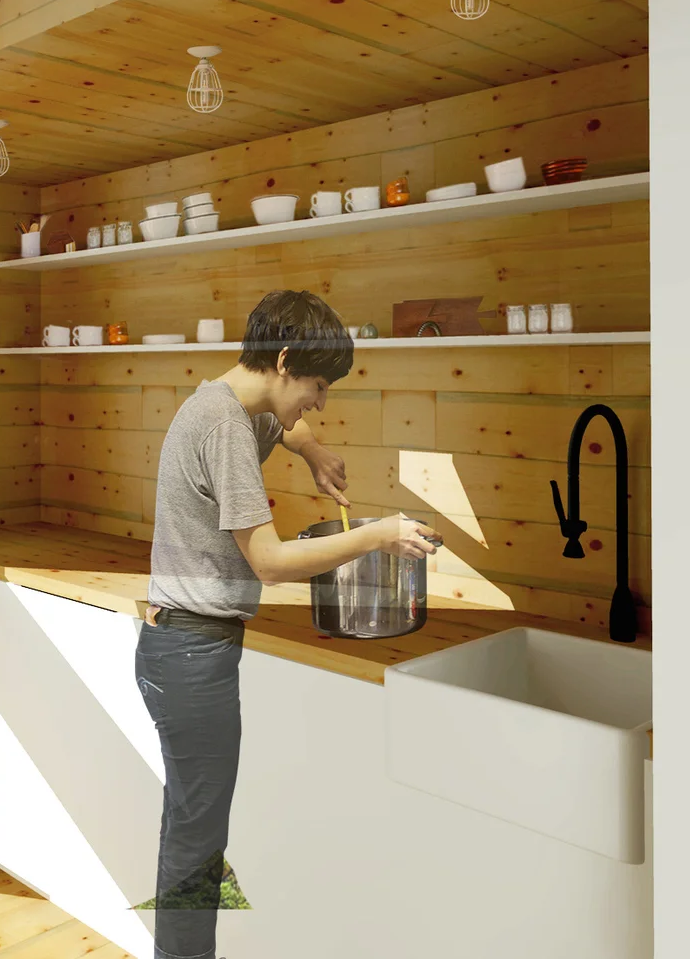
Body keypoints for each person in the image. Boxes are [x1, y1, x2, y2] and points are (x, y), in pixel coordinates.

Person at [135, 290, 440, 959]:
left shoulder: (234, 406)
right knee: (197, 841)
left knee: (191, 827)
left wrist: (315, 451)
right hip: (192, 653)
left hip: (180, 646)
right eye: (317, 385)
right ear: (281, 360)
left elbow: (288, 424)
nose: (319, 401)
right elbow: (269, 561)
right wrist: (378, 535)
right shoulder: (223, 425)